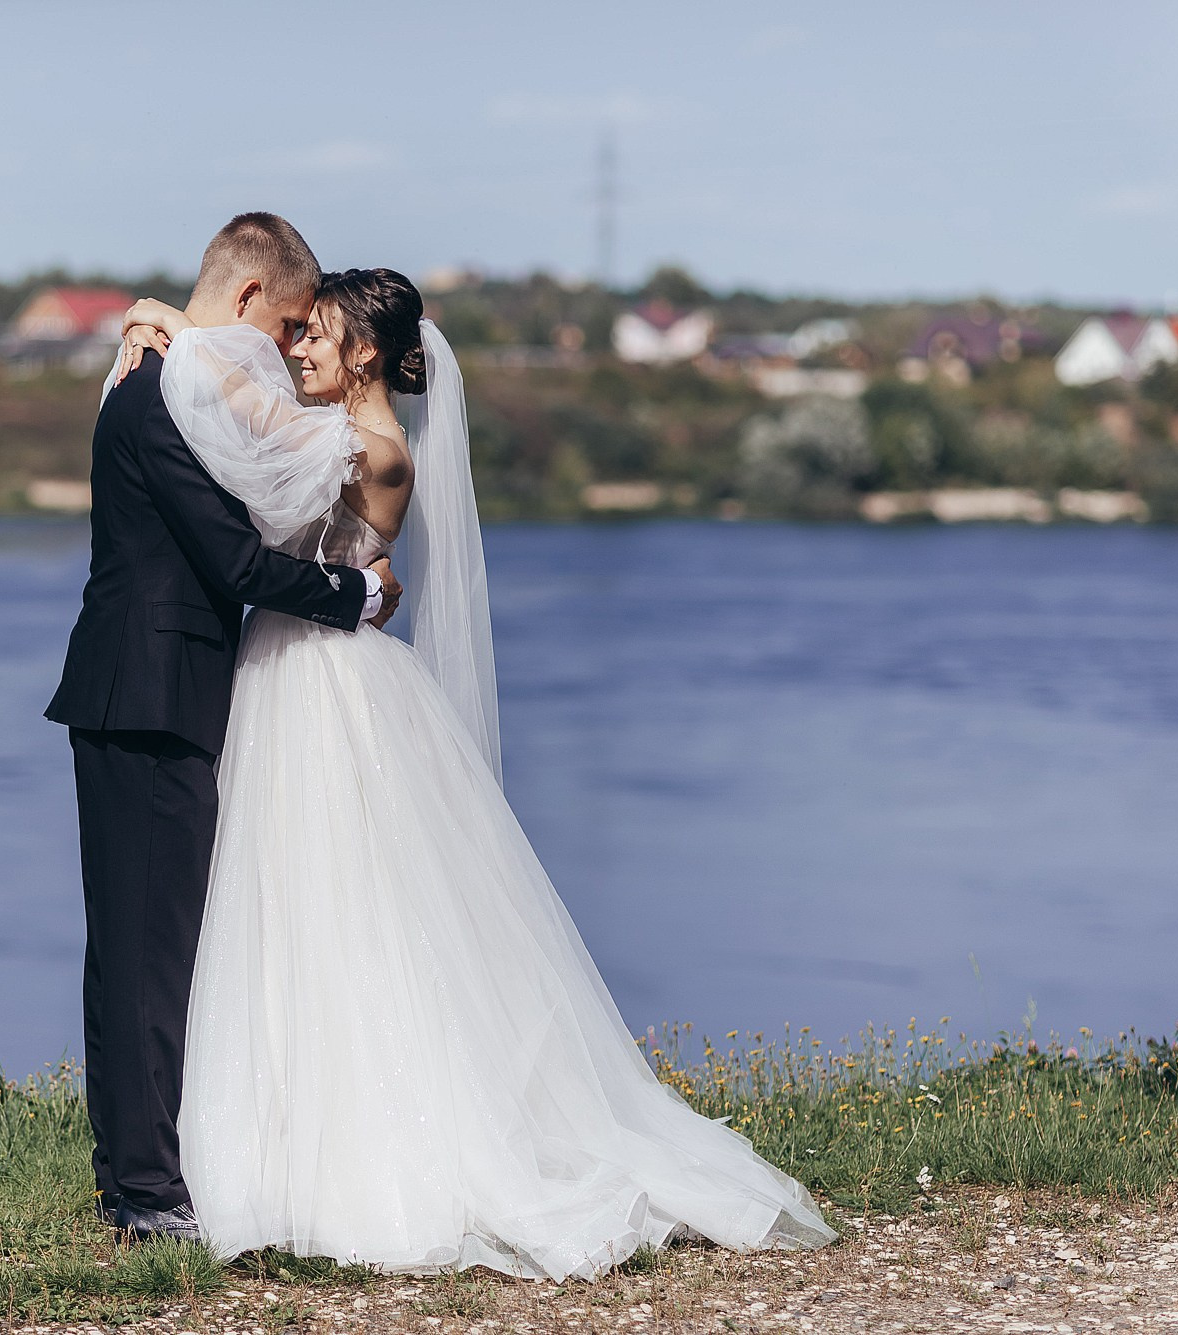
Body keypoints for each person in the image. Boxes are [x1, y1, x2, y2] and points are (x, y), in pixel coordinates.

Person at [114, 267, 837, 1280]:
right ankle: (271, 1137)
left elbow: (248, 423)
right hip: (280, 670)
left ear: (363, 353)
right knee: (280, 904)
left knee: (349, 910)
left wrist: (178, 333)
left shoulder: (372, 451)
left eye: (315, 336)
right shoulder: (321, 421)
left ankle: (360, 1154)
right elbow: (250, 423)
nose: (296, 351)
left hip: (330, 687)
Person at [44, 214, 403, 1242]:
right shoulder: (164, 395)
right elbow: (235, 567)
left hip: (145, 691)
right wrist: (357, 599)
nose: (288, 350)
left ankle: (141, 1177)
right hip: (148, 696)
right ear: (249, 297)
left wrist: (171, 327)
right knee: (146, 955)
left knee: (139, 950)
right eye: (287, 322)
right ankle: (147, 1196)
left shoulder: (167, 375)